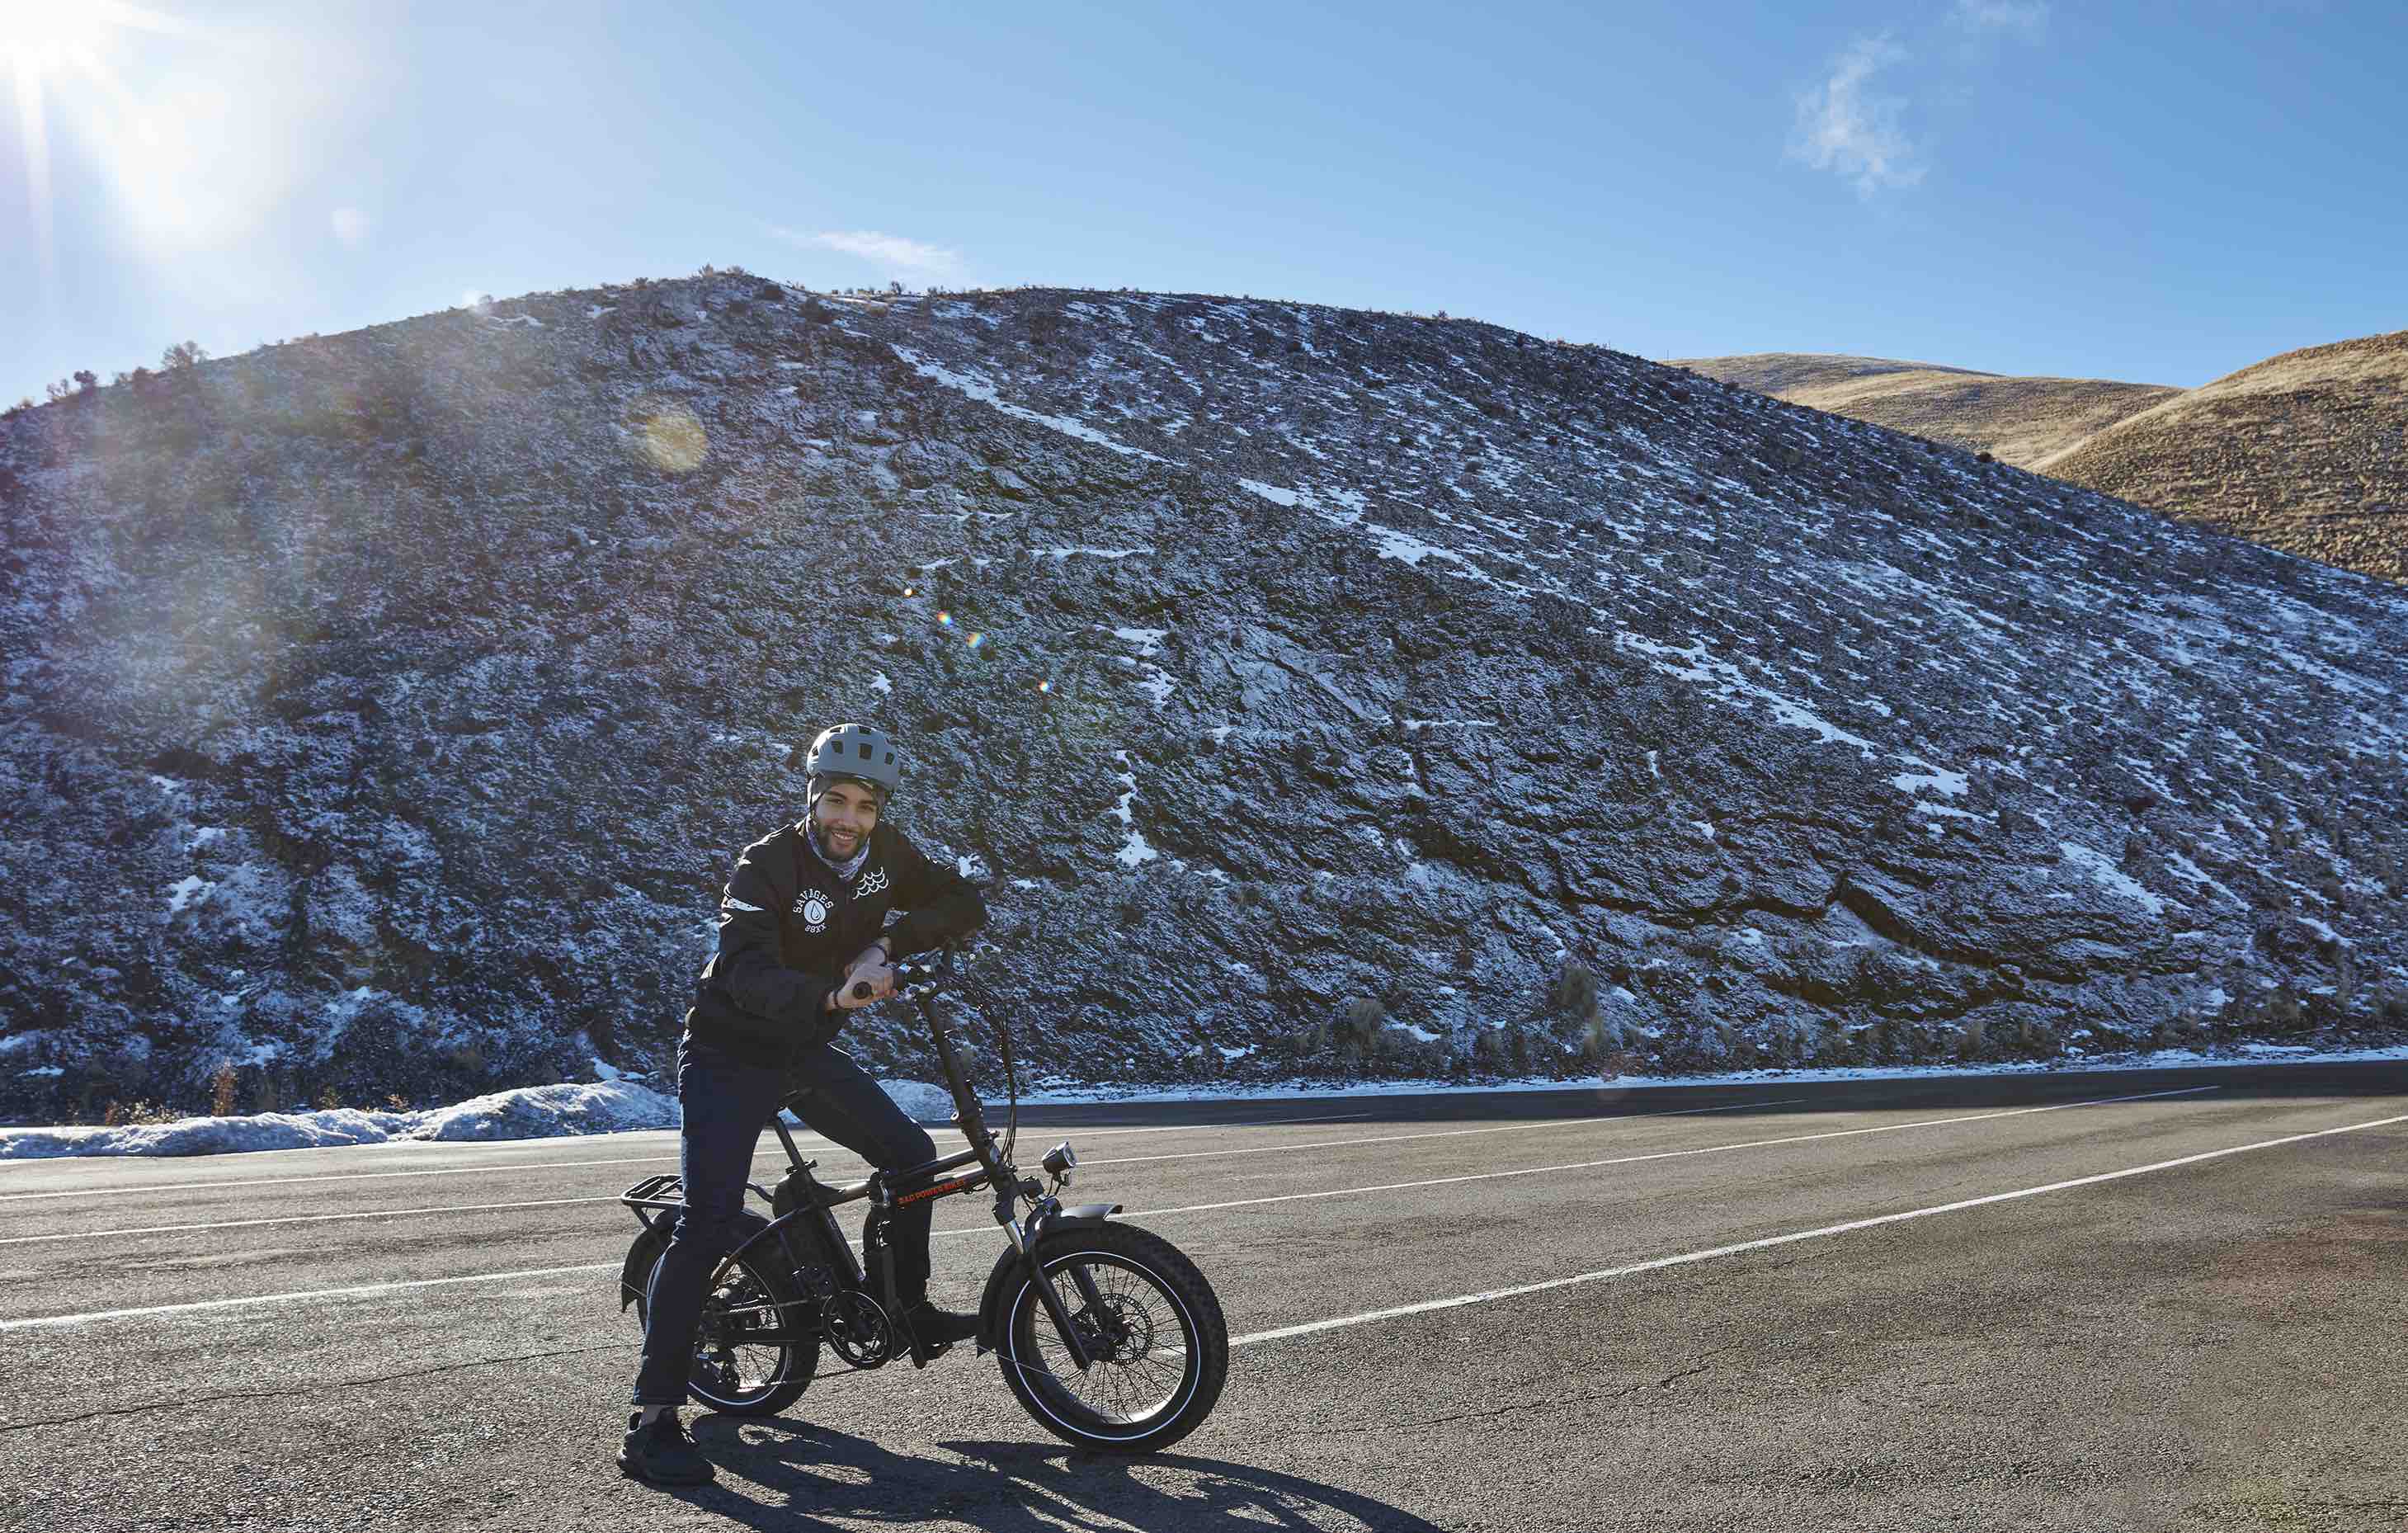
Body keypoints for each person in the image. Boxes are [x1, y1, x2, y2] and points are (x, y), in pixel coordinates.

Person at [619, 721, 989, 1487]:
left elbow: (961, 902)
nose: (847, 819)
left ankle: (906, 1308)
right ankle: (651, 1419)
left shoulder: (885, 857)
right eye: (834, 801)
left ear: (878, 811)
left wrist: (887, 949)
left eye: (862, 805)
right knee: (709, 1221)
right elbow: (746, 972)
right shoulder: (765, 866)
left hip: (801, 1051)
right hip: (727, 1053)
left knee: (911, 1158)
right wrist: (829, 991)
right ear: (811, 798)